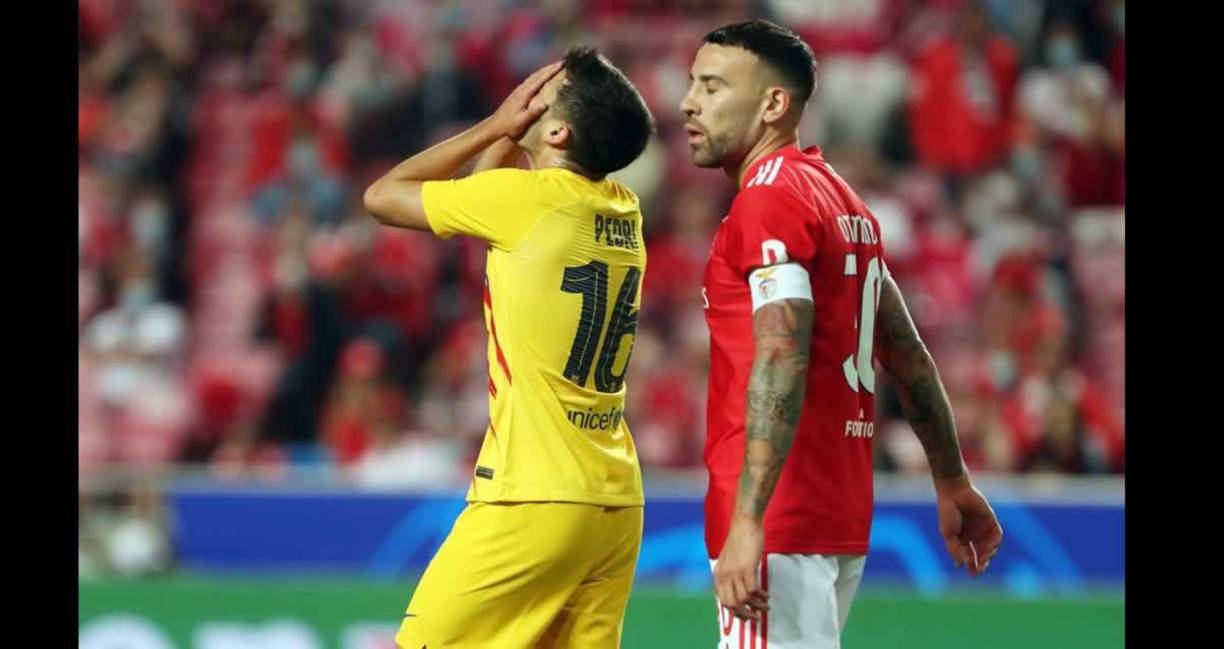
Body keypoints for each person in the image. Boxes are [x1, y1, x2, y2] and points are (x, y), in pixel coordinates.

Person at [679, 20, 1004, 648]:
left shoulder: (767, 201)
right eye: (693, 83)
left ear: (774, 104)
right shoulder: (844, 201)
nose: (690, 101)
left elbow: (781, 351)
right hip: (836, 514)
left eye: (713, 86)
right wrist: (952, 479)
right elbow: (907, 358)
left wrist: (749, 518)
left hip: (780, 518)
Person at [363, 46, 655, 648]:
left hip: (533, 497)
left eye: (543, 89)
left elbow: (384, 195)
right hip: (614, 504)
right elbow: (482, 197)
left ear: (557, 128)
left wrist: (497, 125)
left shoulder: (528, 203)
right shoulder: (625, 210)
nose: (528, 91)